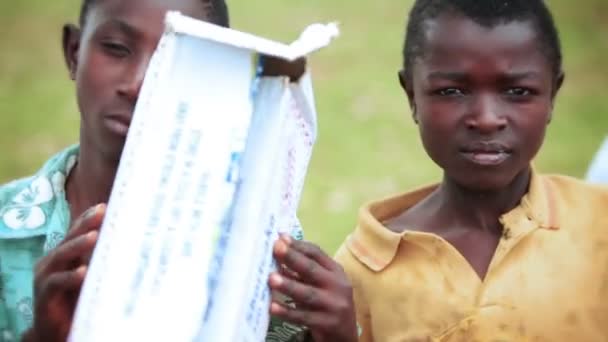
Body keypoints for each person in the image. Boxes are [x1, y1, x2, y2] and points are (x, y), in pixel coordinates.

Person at [0, 1, 357, 341]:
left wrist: (337, 337)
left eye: (172, 62)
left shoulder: (264, 249)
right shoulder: (6, 234)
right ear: (75, 52)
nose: (139, 84)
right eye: (116, 48)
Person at [334, 0, 608, 341]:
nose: (486, 119)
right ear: (412, 97)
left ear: (552, 95)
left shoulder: (599, 224)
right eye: (452, 91)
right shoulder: (364, 268)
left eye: (517, 91)